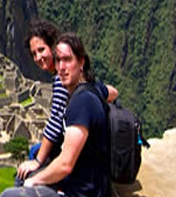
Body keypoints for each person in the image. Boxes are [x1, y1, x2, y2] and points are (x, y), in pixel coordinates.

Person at [0, 33, 112, 197]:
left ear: (81, 62)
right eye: (58, 60)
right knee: (27, 174)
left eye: (67, 60)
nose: (61, 67)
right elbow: (112, 91)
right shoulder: (90, 90)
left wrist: (34, 181)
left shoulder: (80, 102)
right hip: (88, 192)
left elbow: (65, 165)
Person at [16, 20, 118, 186]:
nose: (38, 57)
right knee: (36, 149)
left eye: (41, 50)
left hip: (80, 158)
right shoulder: (81, 78)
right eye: (34, 54)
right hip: (94, 154)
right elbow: (112, 92)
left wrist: (38, 161)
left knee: (31, 163)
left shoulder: (62, 80)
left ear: (53, 47)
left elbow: (56, 121)